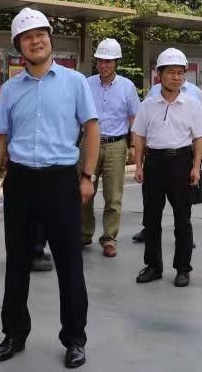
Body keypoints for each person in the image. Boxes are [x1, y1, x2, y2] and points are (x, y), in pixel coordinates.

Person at [0, 8, 99, 369]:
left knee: (69, 262)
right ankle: (14, 334)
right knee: (17, 260)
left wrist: (87, 176)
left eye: (40, 35)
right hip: (20, 181)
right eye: (27, 37)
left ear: (50, 39)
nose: (36, 41)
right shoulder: (10, 89)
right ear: (19, 46)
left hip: (60, 180)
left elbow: (91, 128)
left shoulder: (74, 82)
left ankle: (74, 339)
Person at [132, 48, 202, 288]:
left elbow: (199, 137)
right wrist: (138, 165)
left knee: (182, 219)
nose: (176, 77)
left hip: (181, 162)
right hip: (154, 163)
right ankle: (153, 266)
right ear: (159, 75)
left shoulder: (192, 105)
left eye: (180, 73)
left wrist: (195, 167)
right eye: (171, 72)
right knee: (151, 219)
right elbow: (139, 135)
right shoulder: (148, 105)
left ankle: (183, 269)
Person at [81, 38, 140, 257]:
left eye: (108, 61)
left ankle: (109, 238)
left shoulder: (127, 87)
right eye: (100, 61)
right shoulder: (86, 84)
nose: (103, 65)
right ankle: (84, 233)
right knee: (84, 191)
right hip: (89, 144)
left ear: (116, 62)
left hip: (116, 144)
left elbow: (134, 119)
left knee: (113, 196)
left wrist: (133, 146)